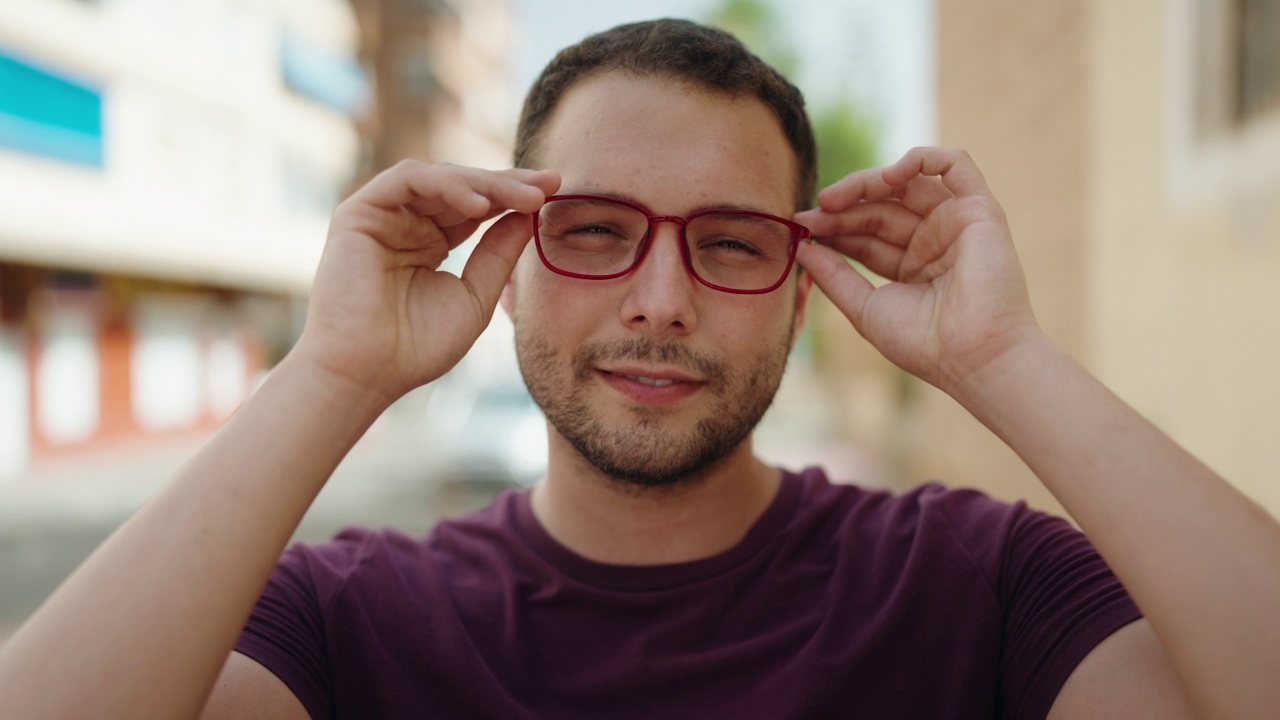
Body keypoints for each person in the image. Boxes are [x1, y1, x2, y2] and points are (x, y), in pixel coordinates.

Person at [1, 17, 1278, 719]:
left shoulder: (979, 588)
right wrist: (329, 373)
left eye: (728, 243)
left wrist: (1002, 359)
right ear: (508, 255)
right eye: (597, 232)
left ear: (800, 279)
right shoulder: (346, 622)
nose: (660, 303)